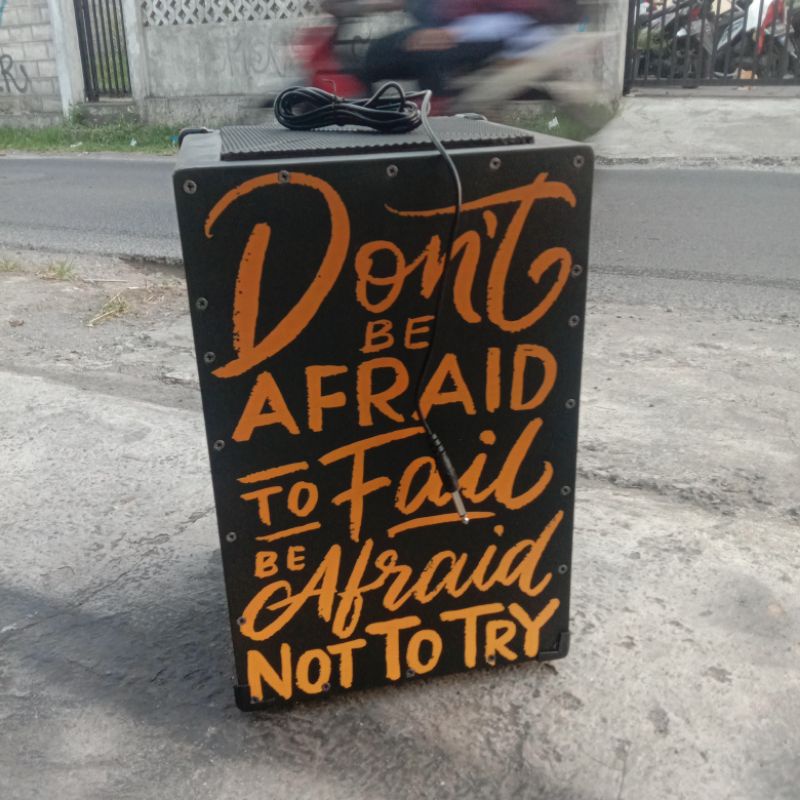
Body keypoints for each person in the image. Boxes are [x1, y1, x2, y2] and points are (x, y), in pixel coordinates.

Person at [362, 0, 580, 95]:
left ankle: (439, 121)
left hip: (487, 37)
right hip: (456, 25)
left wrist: (455, 32)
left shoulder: (537, 11)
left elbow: (514, 22)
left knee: (410, 56)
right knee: (376, 55)